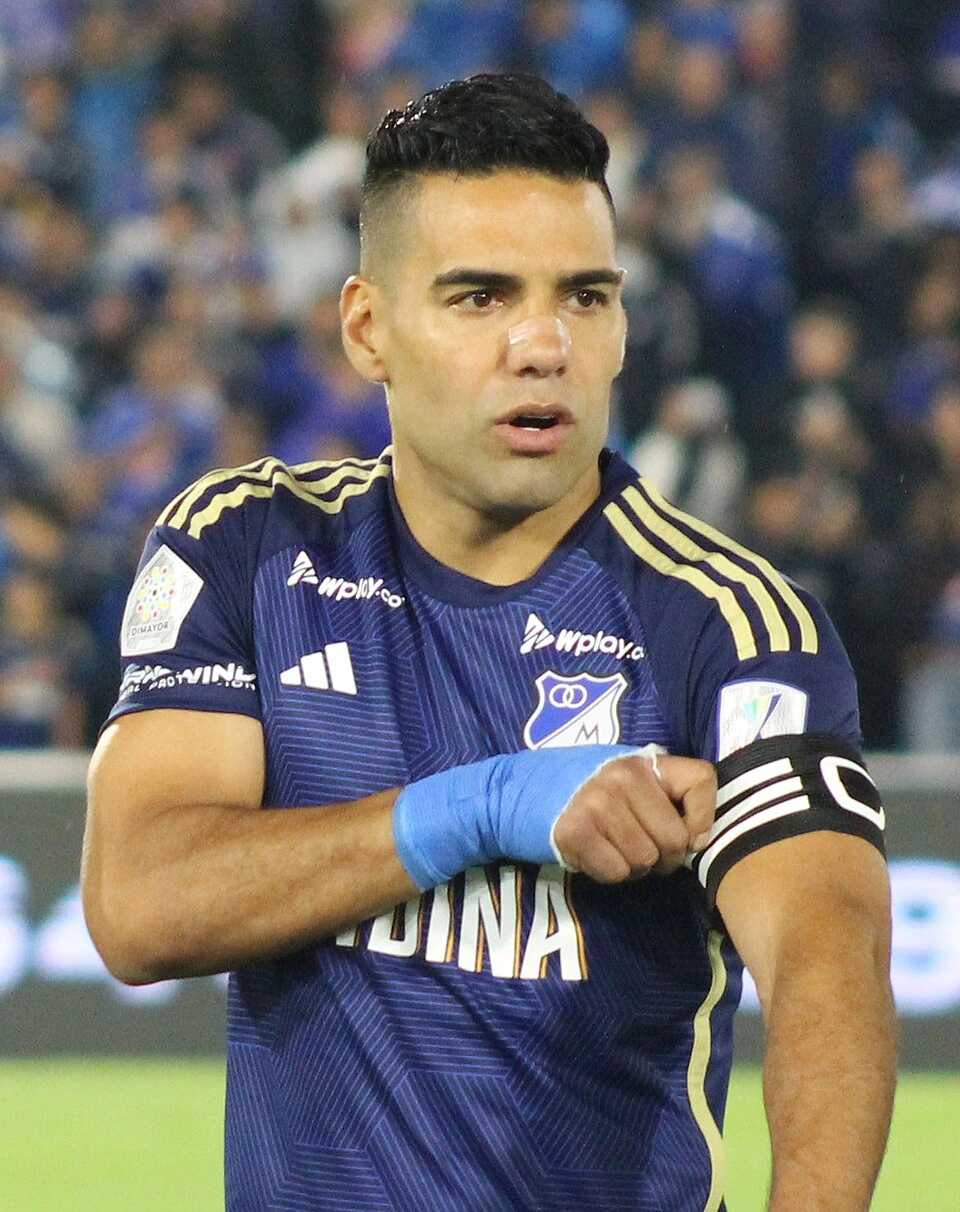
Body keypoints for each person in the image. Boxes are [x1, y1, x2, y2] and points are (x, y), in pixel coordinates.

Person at [82, 74, 895, 1211]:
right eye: (479, 297)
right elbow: (138, 906)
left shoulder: (729, 625)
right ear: (367, 328)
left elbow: (828, 958)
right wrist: (486, 807)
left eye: (586, 297)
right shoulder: (249, 549)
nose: (543, 344)